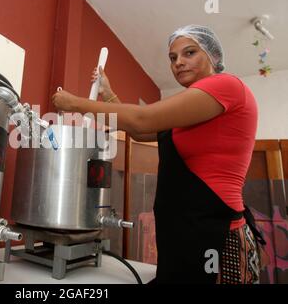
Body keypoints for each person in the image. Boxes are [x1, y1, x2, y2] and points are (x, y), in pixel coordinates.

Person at [52, 24, 265, 284]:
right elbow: (142, 132)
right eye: (173, 58)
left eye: (189, 53)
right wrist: (108, 95)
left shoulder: (226, 85)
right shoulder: (191, 105)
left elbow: (143, 119)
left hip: (215, 236)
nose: (179, 63)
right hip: (183, 236)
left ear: (213, 57)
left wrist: (74, 104)